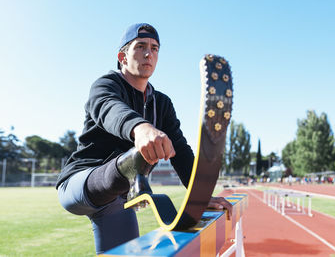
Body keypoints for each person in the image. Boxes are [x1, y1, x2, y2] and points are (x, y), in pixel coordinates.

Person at [56, 23, 232, 254]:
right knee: (139, 156)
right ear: (122, 57)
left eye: (155, 48)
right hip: (81, 183)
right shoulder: (105, 85)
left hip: (117, 201)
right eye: (140, 47)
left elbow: (180, 149)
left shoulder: (162, 103)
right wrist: (140, 128)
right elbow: (108, 108)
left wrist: (198, 196)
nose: (149, 53)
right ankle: (135, 172)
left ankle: (135, 175)